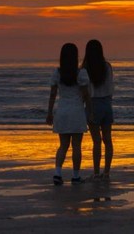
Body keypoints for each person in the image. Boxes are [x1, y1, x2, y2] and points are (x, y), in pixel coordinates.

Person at [46, 43, 90, 185]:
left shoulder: (57, 73)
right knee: (76, 145)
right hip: (76, 111)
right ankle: (76, 176)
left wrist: (49, 113)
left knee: (63, 145)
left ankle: (57, 173)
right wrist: (90, 111)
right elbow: (86, 95)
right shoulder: (80, 74)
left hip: (62, 110)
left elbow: (52, 95)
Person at [82, 39, 114, 180]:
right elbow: (111, 87)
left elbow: (84, 92)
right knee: (108, 140)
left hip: (93, 104)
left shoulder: (85, 69)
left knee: (96, 141)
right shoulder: (107, 67)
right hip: (106, 104)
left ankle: (96, 172)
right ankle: (106, 172)